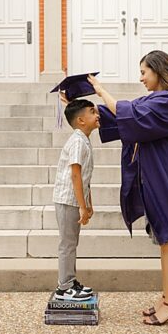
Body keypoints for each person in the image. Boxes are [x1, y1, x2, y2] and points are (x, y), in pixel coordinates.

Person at [89, 52, 168, 326]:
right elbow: (125, 116)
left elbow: (131, 114)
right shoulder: (157, 99)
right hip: (157, 173)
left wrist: (101, 90)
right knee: (165, 239)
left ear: (159, 71)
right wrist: (82, 108)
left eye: (144, 72)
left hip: (166, 175)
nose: (141, 78)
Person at [51, 97, 100, 302]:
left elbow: (85, 177)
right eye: (92, 112)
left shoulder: (83, 138)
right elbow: (75, 175)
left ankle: (70, 281)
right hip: (67, 200)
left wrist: (88, 204)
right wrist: (82, 206)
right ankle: (64, 287)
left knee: (71, 242)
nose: (98, 115)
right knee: (68, 244)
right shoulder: (78, 141)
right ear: (81, 120)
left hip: (73, 200)